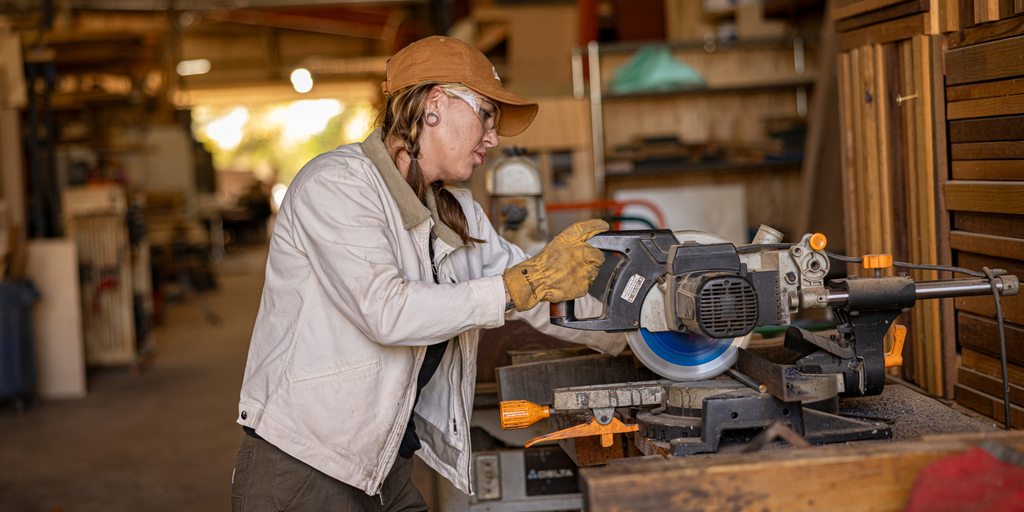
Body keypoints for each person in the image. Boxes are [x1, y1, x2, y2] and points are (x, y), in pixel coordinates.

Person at [231, 36, 626, 511]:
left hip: (382, 462)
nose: (493, 138)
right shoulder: (337, 185)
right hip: (302, 465)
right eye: (487, 116)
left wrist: (637, 329)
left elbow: (540, 288)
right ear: (435, 104)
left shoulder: (456, 209)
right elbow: (388, 311)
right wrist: (520, 285)